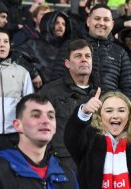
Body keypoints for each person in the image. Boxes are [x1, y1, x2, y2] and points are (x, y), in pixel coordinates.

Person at [40, 39, 98, 171]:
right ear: (67, 63)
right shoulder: (50, 92)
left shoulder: (104, 92)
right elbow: (40, 128)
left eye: (87, 56)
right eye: (78, 56)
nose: (84, 59)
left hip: (96, 165)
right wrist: (50, 161)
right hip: (62, 165)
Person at [79, 4, 131, 97]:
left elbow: (128, 86)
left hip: (110, 108)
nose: (101, 23)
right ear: (88, 21)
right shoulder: (71, 47)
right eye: (97, 18)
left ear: (112, 25)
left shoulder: (121, 52)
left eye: (106, 19)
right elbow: (58, 80)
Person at [0, 27, 34, 151]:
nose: (2, 45)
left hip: (14, 136)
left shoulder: (22, 72)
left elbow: (29, 106)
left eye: (5, 41)